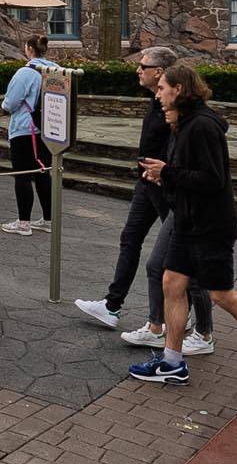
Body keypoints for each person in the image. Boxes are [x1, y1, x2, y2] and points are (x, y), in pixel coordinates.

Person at [124, 63, 237, 395]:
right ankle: (172, 362)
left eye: (162, 88)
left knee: (221, 294)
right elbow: (184, 174)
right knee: (172, 283)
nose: (157, 94)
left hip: (211, 226)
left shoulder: (202, 127)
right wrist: (164, 175)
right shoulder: (183, 123)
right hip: (188, 222)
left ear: (178, 89)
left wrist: (168, 173)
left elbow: (212, 180)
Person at [75, 46, 214, 356]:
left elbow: (193, 162)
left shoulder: (184, 115)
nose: (138, 70)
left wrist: (166, 175)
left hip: (168, 188)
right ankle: (115, 306)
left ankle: (190, 325)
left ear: (161, 73)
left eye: (143, 65)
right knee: (132, 240)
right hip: (148, 183)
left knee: (177, 261)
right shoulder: (157, 103)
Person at [0, 35, 60, 235]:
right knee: (43, 172)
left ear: (29, 49)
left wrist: (5, 106)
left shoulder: (25, 72)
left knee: (22, 175)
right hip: (48, 128)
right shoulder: (55, 70)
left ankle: (23, 222)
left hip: (25, 129)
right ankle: (48, 220)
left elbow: (10, 103)